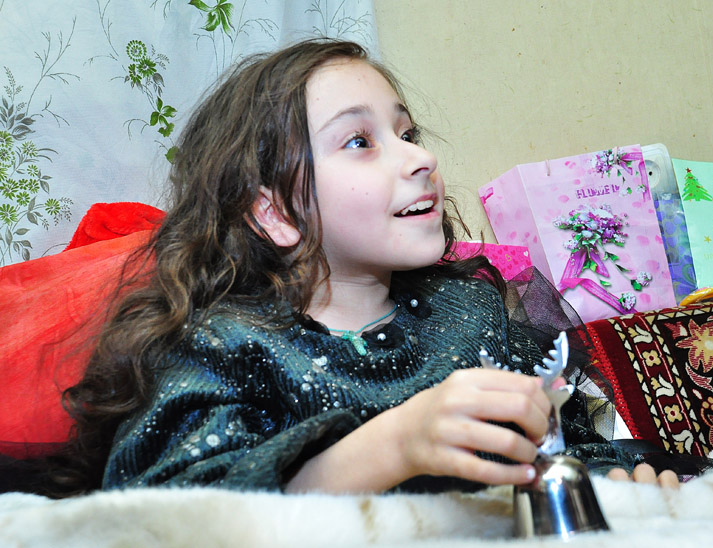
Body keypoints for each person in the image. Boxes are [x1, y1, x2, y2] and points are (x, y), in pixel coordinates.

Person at [54, 38, 677, 496]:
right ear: (275, 212)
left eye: (407, 133)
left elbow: (564, 447)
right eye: (360, 141)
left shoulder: (473, 315)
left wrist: (615, 480)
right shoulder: (222, 348)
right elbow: (175, 511)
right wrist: (394, 445)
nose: (420, 158)